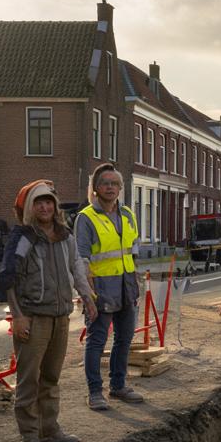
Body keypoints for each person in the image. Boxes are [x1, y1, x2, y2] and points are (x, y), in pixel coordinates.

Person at [0, 180, 96, 442]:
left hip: (60, 317)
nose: (44, 206)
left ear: (55, 206)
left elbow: (76, 269)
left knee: (51, 377)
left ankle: (50, 429)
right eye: (38, 202)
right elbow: (9, 278)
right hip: (32, 318)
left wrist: (87, 298)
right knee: (29, 380)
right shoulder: (24, 238)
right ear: (30, 207)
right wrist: (18, 316)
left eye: (48, 201)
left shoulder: (65, 236)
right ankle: (29, 436)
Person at [75, 163, 144, 410]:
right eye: (106, 183)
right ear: (95, 188)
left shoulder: (127, 214)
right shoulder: (86, 218)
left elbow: (132, 250)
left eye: (115, 184)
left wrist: (136, 282)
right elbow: (82, 259)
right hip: (101, 289)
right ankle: (95, 392)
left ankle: (118, 386)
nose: (111, 188)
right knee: (97, 341)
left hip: (126, 287)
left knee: (124, 339)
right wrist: (87, 295)